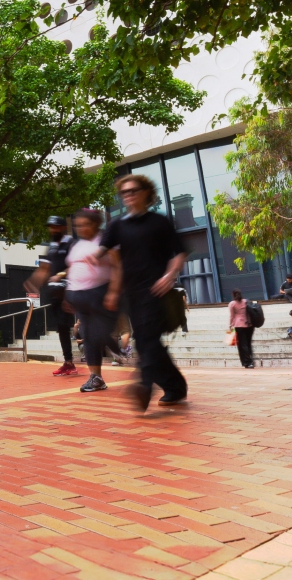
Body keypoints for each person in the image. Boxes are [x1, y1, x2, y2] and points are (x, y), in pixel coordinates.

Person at [95, 174, 189, 411]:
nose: (128, 195)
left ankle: (144, 386)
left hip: (157, 292)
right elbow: (101, 252)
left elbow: (179, 253)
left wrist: (169, 275)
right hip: (132, 294)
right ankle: (176, 386)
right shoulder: (117, 225)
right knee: (147, 342)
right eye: (124, 192)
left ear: (146, 192)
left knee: (146, 340)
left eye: (133, 190)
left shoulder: (160, 222)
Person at [62, 209, 117, 392]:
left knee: (96, 333)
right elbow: (74, 268)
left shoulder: (105, 241)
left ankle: (116, 346)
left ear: (96, 224)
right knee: (88, 335)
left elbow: (118, 266)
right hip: (79, 296)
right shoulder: (77, 245)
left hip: (99, 293)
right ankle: (96, 377)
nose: (80, 228)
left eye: (85, 224)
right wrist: (68, 295)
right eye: (77, 225)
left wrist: (113, 292)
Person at [33, 215, 79, 377]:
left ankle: (91, 358)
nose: (52, 230)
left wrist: (60, 275)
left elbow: (76, 265)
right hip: (55, 294)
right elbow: (44, 268)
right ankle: (69, 362)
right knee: (61, 327)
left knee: (75, 325)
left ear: (63, 227)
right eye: (51, 227)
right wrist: (34, 282)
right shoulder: (51, 247)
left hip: (70, 290)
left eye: (55, 227)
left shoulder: (71, 244)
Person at [227, 289, 255, 369]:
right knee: (248, 343)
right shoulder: (246, 301)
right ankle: (251, 361)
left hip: (239, 325)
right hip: (249, 325)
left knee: (242, 344)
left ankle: (247, 362)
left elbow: (232, 316)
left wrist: (230, 325)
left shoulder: (232, 304)